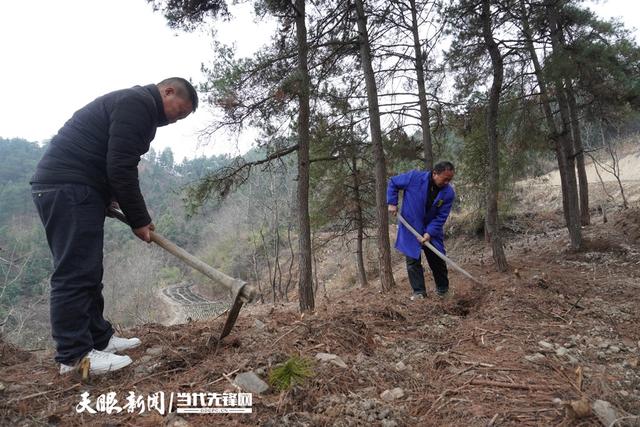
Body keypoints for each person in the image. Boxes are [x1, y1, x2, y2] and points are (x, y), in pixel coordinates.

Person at [31, 78, 198, 375]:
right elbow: (120, 166)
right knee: (75, 272)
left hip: (79, 188)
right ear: (168, 91)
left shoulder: (137, 105)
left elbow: (106, 156)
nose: (175, 120)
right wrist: (139, 219)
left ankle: (99, 339)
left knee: (90, 272)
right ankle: (74, 356)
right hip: (67, 187)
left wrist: (107, 198)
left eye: (182, 118)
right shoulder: (138, 104)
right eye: (179, 112)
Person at [387, 161, 455, 299]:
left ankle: (443, 291)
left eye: (450, 179)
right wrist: (392, 202)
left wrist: (429, 233)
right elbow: (393, 182)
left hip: (431, 230)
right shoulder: (414, 178)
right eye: (445, 179)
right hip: (411, 227)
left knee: (437, 260)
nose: (447, 182)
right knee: (413, 262)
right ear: (435, 173)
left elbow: (441, 217)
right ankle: (419, 293)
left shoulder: (448, 193)